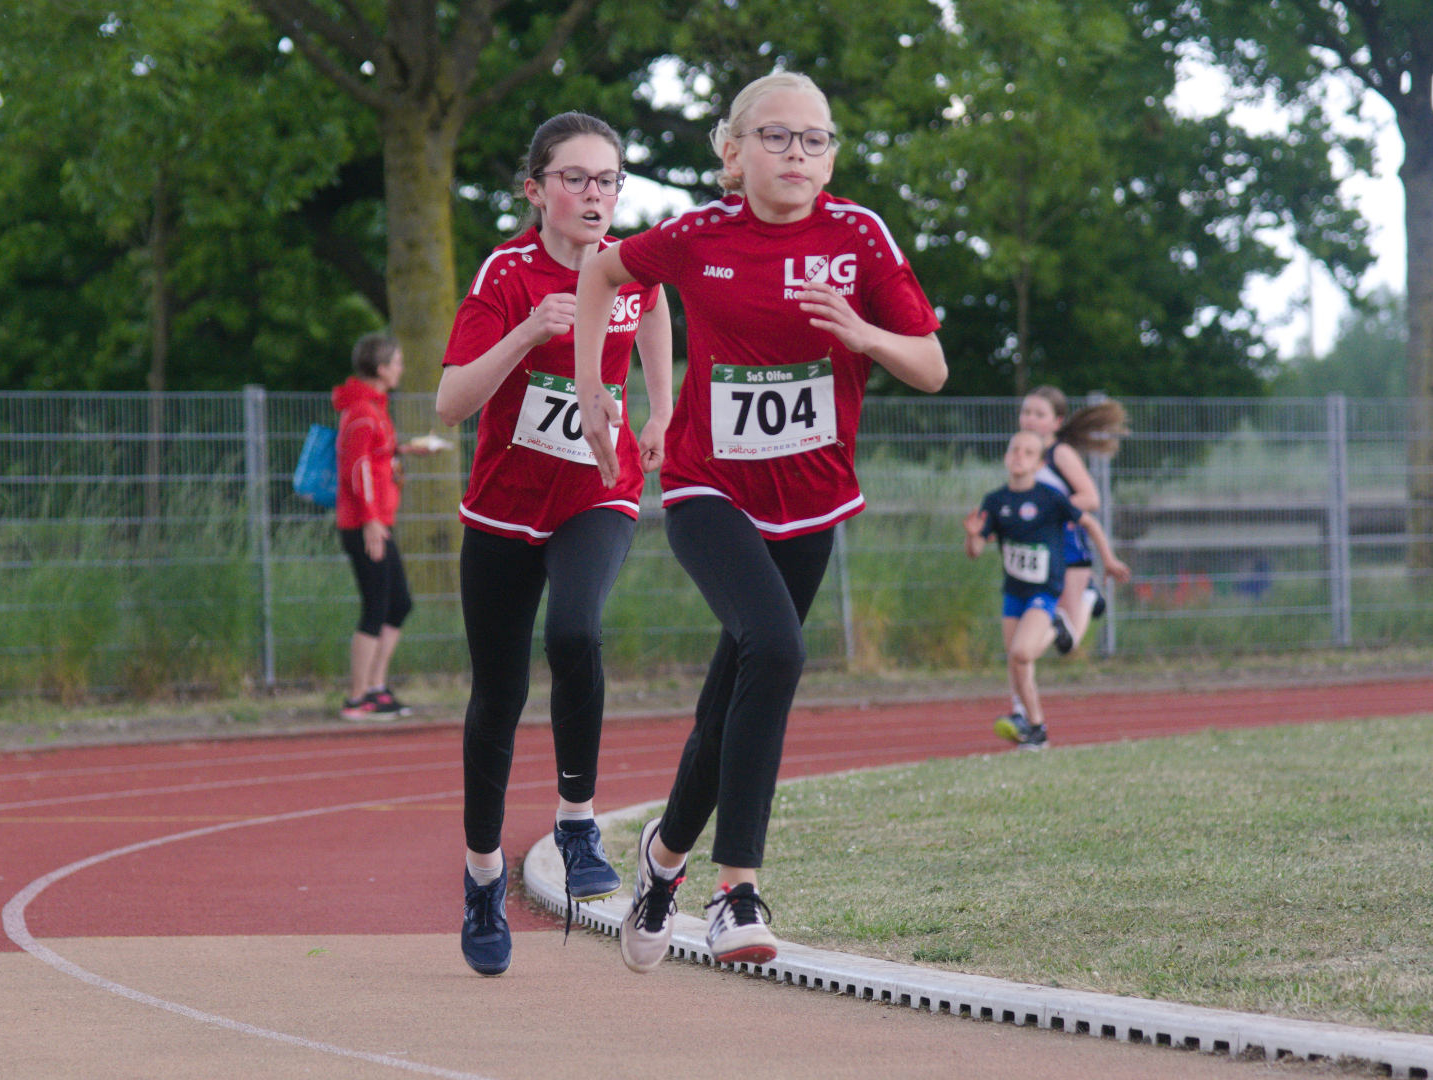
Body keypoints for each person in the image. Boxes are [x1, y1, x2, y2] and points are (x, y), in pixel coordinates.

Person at [572, 71, 948, 972]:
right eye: (775, 138)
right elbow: (602, 273)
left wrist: (863, 336)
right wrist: (598, 392)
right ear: (733, 155)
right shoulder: (699, 237)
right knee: (776, 651)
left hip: (812, 500)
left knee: (728, 698)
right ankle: (735, 889)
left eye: (814, 139)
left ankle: (661, 865)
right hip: (709, 488)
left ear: (832, 156)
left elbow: (930, 365)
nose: (797, 155)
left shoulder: (859, 235)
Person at [437, 112, 674, 977]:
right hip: (503, 509)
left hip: (597, 491)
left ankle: (578, 822)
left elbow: (654, 309)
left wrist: (659, 403)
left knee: (574, 633)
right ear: (536, 190)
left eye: (608, 180)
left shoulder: (631, 266)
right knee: (496, 698)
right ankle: (482, 875)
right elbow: (450, 403)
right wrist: (531, 331)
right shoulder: (506, 274)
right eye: (575, 179)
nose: (595, 196)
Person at [965, 430, 1131, 749]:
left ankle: (1057, 624)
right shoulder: (995, 501)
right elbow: (974, 551)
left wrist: (1108, 560)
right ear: (1005, 456)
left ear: (1039, 463)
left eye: (1028, 452)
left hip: (1046, 589)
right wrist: (972, 536)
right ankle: (1037, 729)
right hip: (1014, 592)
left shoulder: (1051, 498)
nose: (1019, 457)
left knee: (1021, 652)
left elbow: (1091, 524)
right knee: (1018, 663)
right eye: (1014, 450)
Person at [332, 332, 437, 721]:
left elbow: (373, 454)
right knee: (377, 605)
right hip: (364, 524)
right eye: (396, 362)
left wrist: (406, 450)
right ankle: (356, 697)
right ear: (380, 368)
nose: (401, 369)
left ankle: (375, 688)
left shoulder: (374, 407)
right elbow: (355, 468)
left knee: (399, 603)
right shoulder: (362, 410)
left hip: (376, 521)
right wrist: (371, 521)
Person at [1018, 386, 1129, 658]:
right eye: (1026, 412)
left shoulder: (1061, 454)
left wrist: (1050, 511)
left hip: (1067, 545)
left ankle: (1089, 596)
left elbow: (1091, 498)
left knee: (1067, 640)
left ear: (1056, 422)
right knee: (1039, 621)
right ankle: (1022, 664)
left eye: (1039, 414)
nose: (1030, 418)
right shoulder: (1022, 452)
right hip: (1039, 547)